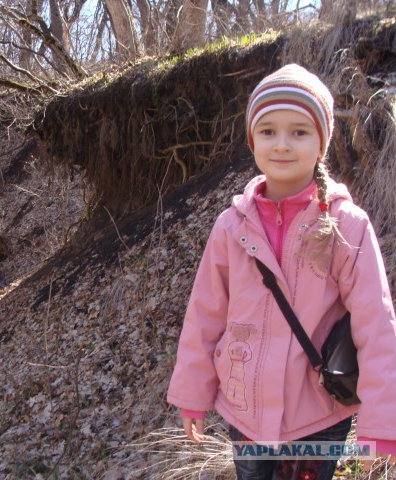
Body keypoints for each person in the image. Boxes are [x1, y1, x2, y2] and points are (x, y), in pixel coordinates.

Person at [167, 64, 396, 479]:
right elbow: (205, 314)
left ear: (321, 143)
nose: (283, 144)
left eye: (300, 131)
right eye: (269, 131)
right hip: (246, 410)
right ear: (253, 140)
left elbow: (376, 325)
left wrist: (383, 425)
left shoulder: (347, 225)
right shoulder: (231, 226)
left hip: (318, 415)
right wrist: (192, 395)